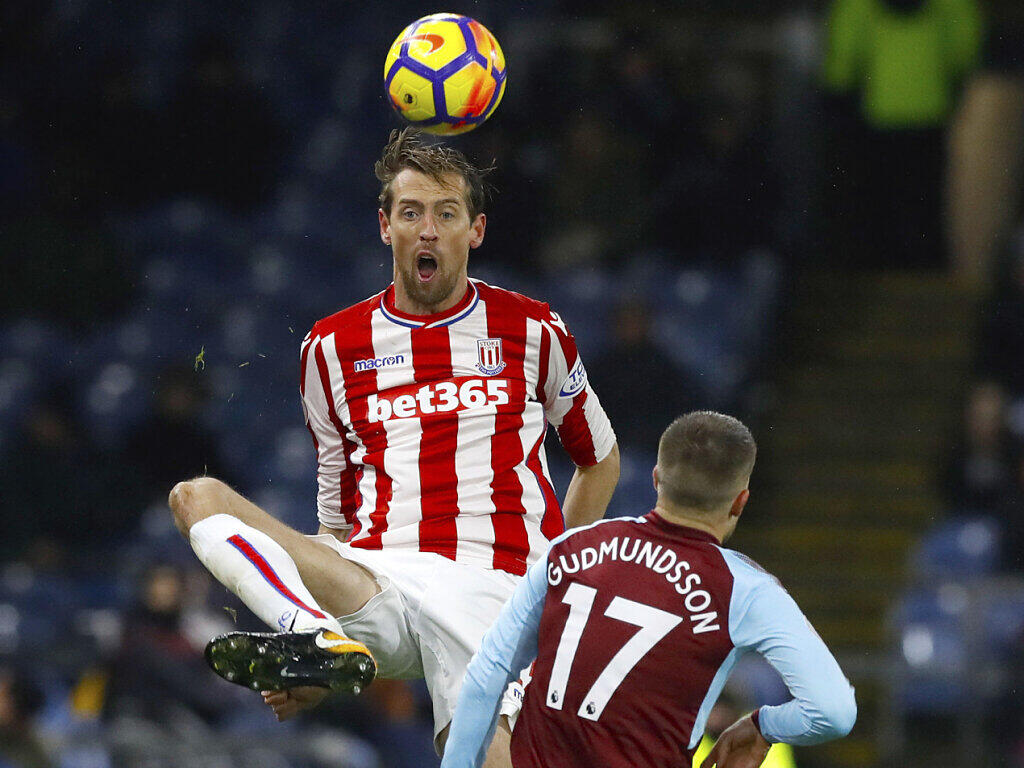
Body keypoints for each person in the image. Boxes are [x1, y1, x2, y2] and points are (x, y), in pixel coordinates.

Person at [167, 128, 620, 767]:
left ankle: (323, 647)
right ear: (386, 227)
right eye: (411, 213)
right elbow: (334, 516)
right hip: (381, 580)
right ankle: (314, 643)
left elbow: (599, 459)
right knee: (198, 496)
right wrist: (322, 627)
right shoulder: (330, 348)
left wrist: (550, 582)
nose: (428, 230)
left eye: (446, 214)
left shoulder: (532, 328)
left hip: (493, 583)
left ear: (477, 229)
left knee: (484, 756)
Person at [440, 411, 856, 768]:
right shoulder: (745, 590)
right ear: (740, 502)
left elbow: (486, 675)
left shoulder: (571, 547)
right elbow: (833, 711)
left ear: (656, 479)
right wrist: (762, 726)